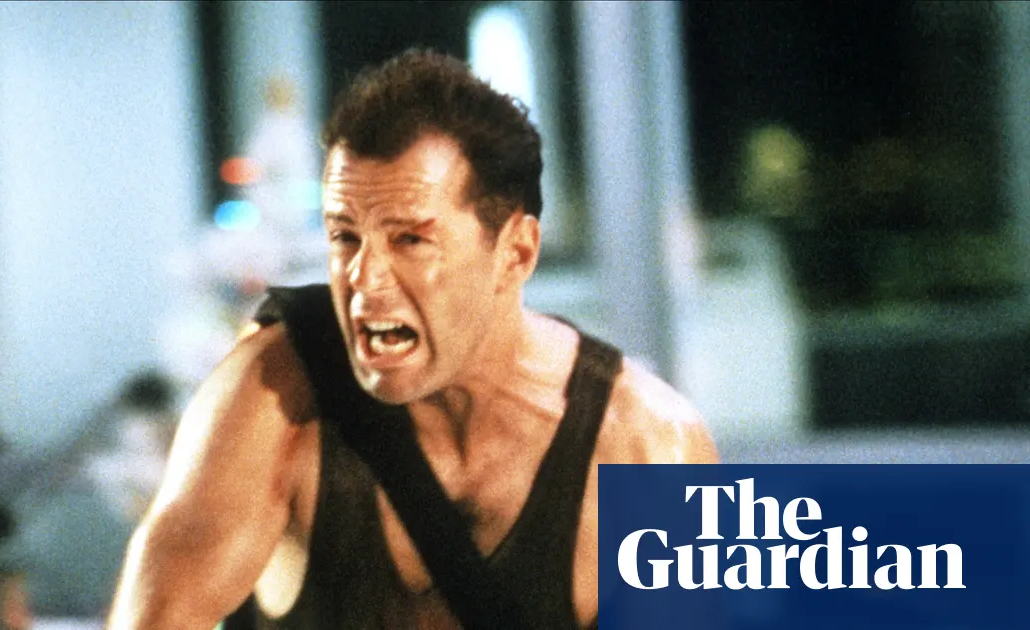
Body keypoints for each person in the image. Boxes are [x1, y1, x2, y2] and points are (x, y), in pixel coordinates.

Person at [106, 49, 719, 630]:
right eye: (345, 237)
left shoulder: (647, 446)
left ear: (516, 252)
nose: (363, 279)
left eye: (410, 240)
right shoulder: (273, 393)